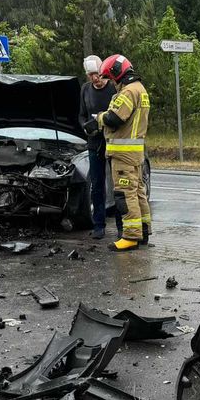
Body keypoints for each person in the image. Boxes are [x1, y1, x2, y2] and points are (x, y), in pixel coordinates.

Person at [96, 54, 151, 252]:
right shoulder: (140, 89)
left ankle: (130, 236)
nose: (111, 82)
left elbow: (114, 118)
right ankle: (143, 231)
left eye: (110, 78)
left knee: (125, 194)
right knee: (138, 193)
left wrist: (98, 119)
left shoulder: (128, 92)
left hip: (123, 154)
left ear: (117, 73)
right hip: (135, 153)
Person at [79, 55, 118, 239]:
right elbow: (81, 115)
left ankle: (121, 227)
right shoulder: (85, 90)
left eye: (98, 74)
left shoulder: (113, 88)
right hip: (94, 143)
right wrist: (86, 127)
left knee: (118, 185)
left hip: (113, 142)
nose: (95, 79)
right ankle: (99, 225)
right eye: (91, 75)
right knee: (97, 184)